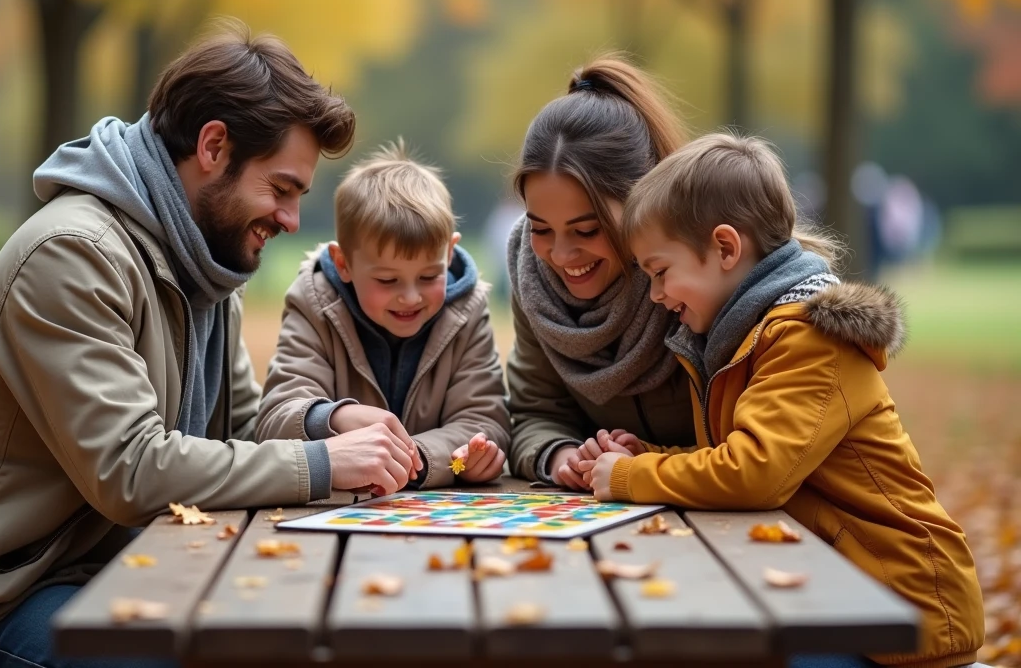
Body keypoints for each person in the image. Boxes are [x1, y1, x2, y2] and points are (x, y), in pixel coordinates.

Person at [0, 22, 424, 668]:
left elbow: (244, 426)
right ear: (214, 145)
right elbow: (131, 470)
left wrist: (326, 423)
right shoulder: (74, 255)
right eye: (281, 189)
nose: (289, 220)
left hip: (118, 570)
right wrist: (324, 464)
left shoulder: (202, 261)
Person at [581, 133, 984, 668]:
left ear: (726, 248)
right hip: (831, 595)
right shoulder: (746, 337)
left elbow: (755, 473)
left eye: (660, 272)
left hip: (901, 614)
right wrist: (647, 455)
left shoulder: (808, 340)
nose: (656, 295)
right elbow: (745, 458)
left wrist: (633, 477)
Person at [257, 140, 510, 486]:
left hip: (433, 511)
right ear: (343, 263)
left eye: (428, 276)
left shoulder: (467, 311)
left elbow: (486, 420)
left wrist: (421, 458)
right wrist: (335, 417)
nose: (410, 297)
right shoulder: (314, 303)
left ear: (449, 254)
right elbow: (275, 418)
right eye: (387, 279)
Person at [506, 55, 695, 490]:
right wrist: (559, 456)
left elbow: (753, 445)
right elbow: (536, 411)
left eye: (587, 230)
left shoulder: (703, 272)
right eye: (541, 228)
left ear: (643, 202)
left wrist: (642, 465)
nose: (561, 254)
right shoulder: (532, 274)